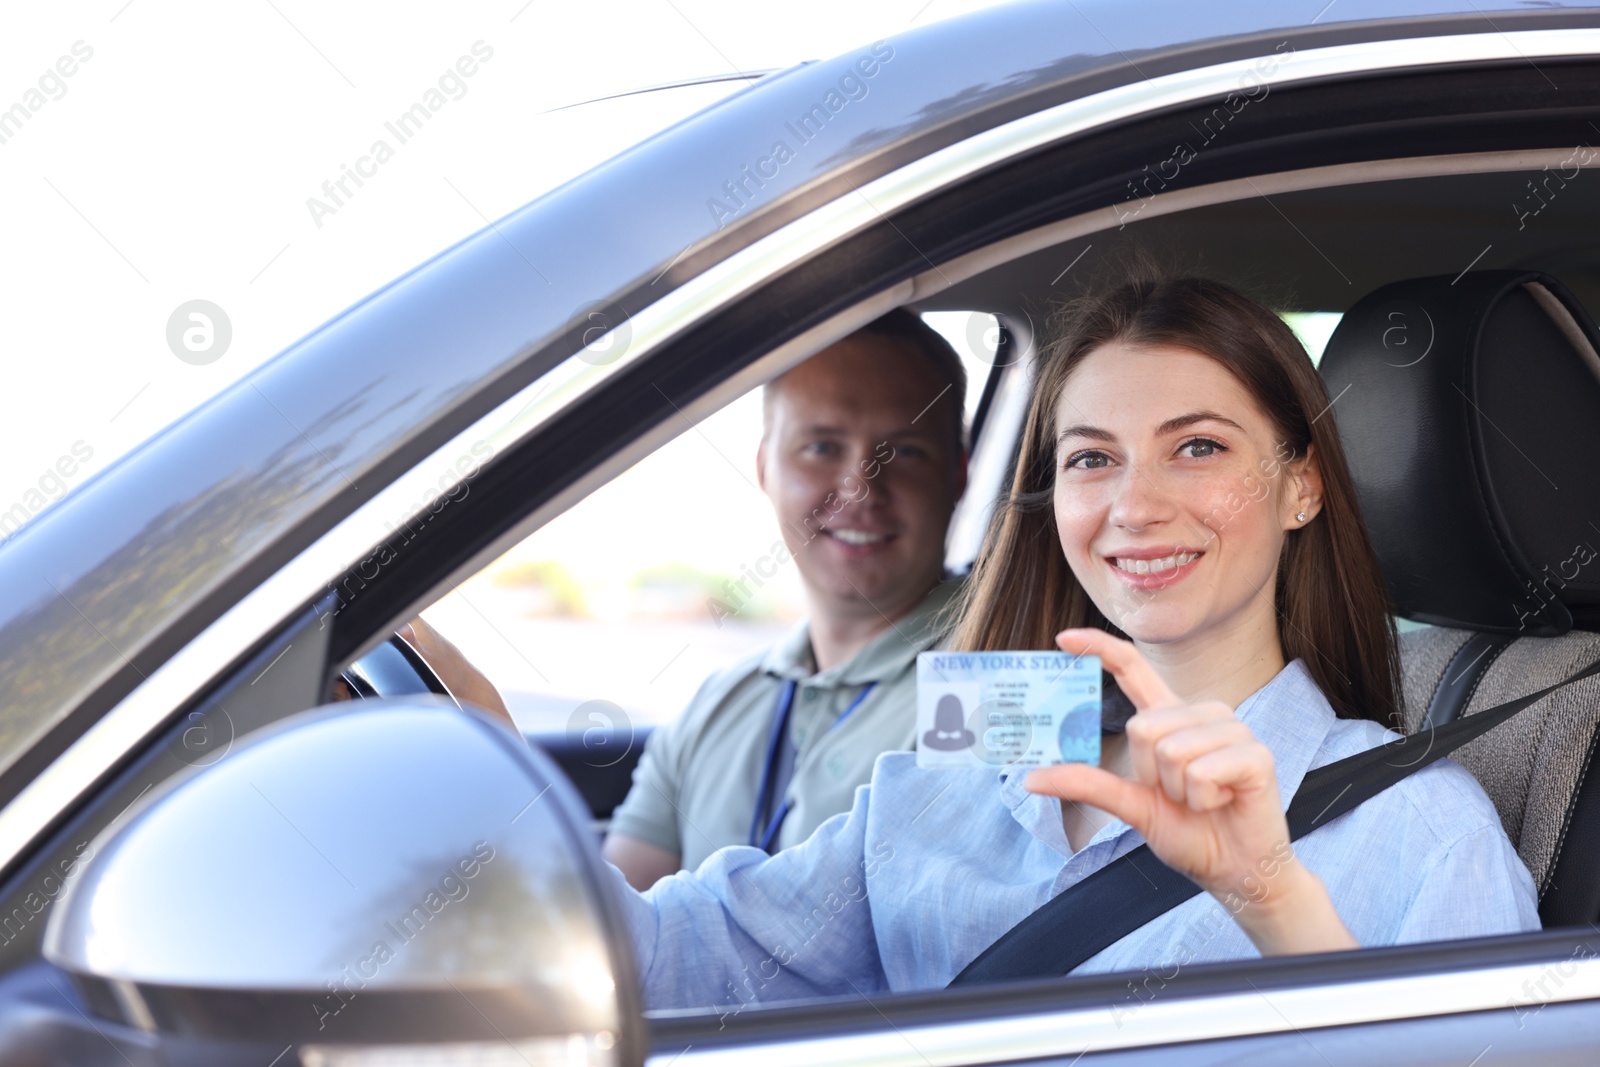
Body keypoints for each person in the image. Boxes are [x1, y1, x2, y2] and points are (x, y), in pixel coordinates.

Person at [609, 276, 1540, 1014]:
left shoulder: (1421, 828)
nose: (1134, 507)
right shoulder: (969, 758)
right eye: (1092, 458)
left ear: (1301, 486)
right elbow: (674, 964)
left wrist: (1270, 896)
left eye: (1200, 447)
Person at [406, 309, 970, 888]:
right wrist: (496, 759)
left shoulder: (997, 681)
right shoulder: (716, 707)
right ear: (764, 468)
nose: (859, 487)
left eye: (904, 452)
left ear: (958, 475)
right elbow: (621, 930)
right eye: (822, 446)